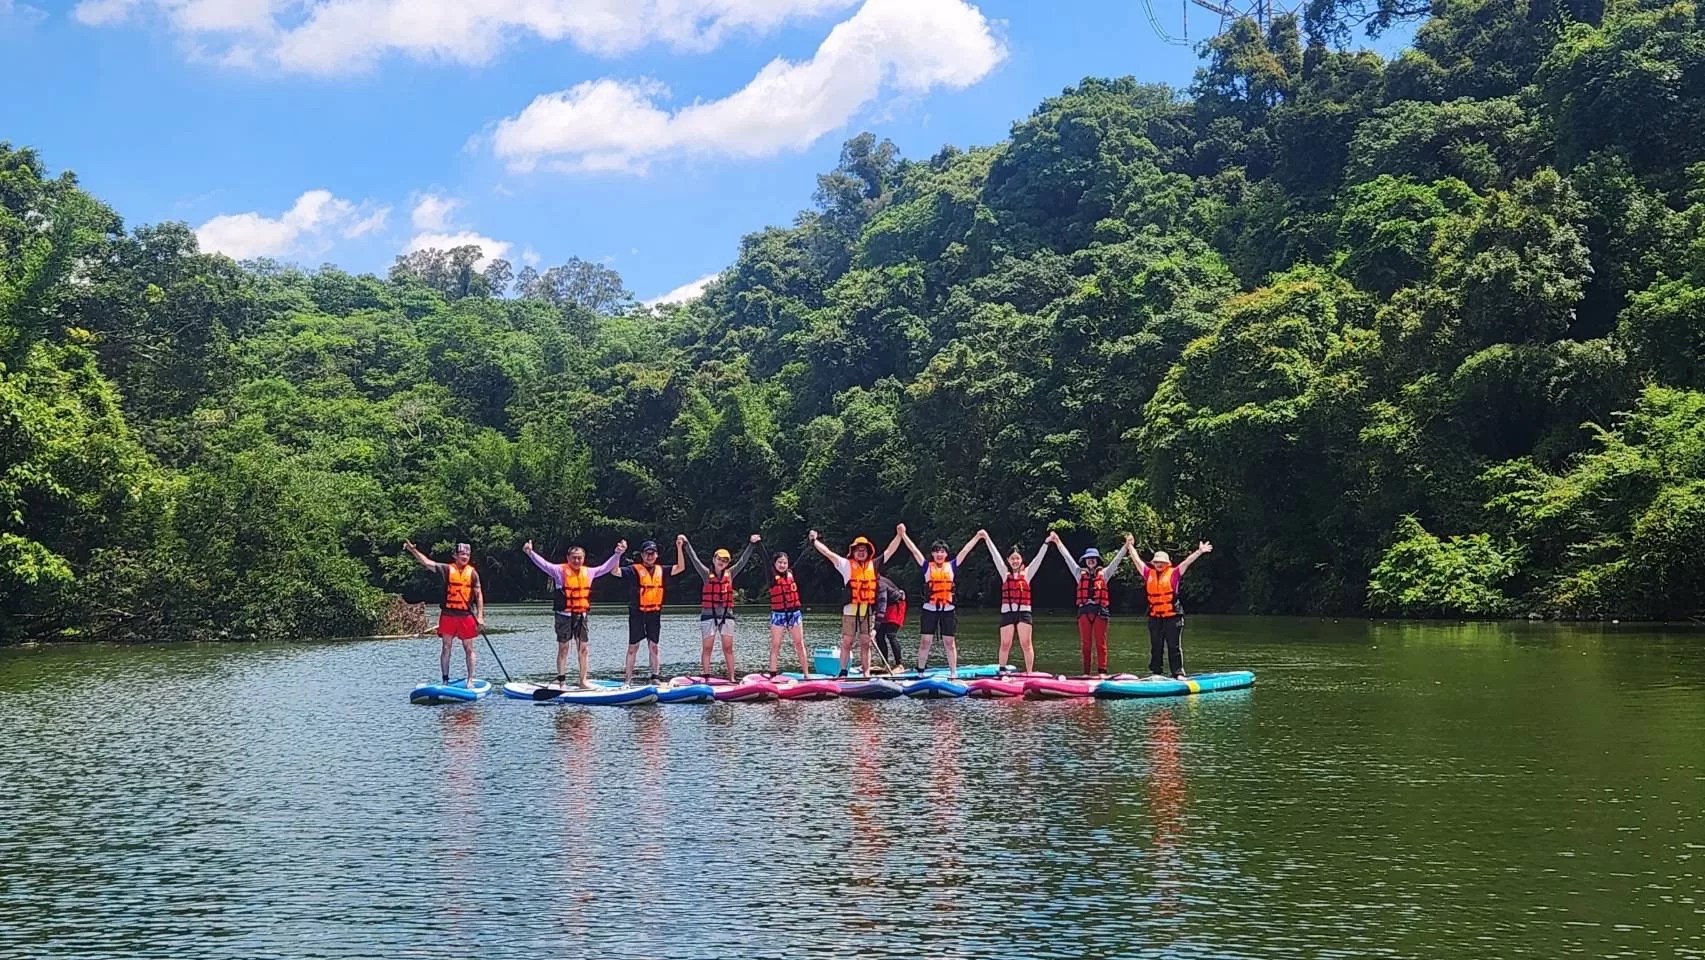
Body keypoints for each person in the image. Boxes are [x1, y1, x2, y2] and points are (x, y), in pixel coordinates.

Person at [522, 539, 625, 688]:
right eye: (574, 557)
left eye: (580, 558)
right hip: (564, 616)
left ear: (583, 559)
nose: (577, 560)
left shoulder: (589, 572)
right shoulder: (559, 571)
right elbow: (543, 564)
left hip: (581, 615)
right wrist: (530, 553)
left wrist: (618, 554)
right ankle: (562, 681)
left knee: (583, 648)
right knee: (563, 648)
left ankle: (583, 681)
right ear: (568, 558)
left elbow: (606, 567)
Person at [894, 523, 983, 680]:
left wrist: (977, 537)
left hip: (948, 610)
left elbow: (966, 550)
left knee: (949, 643)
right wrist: (903, 535)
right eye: (936, 552)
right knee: (925, 642)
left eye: (942, 551)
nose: (939, 554)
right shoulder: (927, 567)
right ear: (932, 555)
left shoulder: (952, 566)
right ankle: (920, 671)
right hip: (930, 609)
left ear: (946, 554)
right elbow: (914, 551)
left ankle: (953, 673)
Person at [1048, 530, 1130, 676]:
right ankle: (1086, 673)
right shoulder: (1079, 574)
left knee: (1101, 644)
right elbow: (1067, 558)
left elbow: (1116, 561)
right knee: (1086, 645)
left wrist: (1126, 546)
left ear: (1097, 560)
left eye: (1093, 558)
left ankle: (1102, 672)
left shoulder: (1104, 574)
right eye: (1088, 559)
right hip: (1084, 612)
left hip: (1100, 612)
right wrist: (1058, 542)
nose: (1091, 561)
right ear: (1085, 561)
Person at [403, 540, 485, 686]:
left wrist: (479, 617)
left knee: (469, 648)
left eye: (467, 554)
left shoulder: (473, 574)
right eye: (462, 554)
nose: (465, 557)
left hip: (466, 615)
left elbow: (478, 595)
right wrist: (413, 551)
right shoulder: (447, 569)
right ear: (455, 555)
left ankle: (470, 679)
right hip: (448, 614)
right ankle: (445, 679)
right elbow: (427, 563)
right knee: (446, 646)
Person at [682, 533, 759, 682]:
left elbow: (743, 561)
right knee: (707, 648)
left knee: (728, 649)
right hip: (708, 615)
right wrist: (686, 544)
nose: (721, 562)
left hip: (726, 616)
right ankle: (706, 677)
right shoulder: (706, 574)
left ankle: (732, 678)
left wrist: (752, 544)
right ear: (714, 559)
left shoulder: (730, 574)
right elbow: (695, 560)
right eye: (719, 559)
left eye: (725, 560)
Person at [1133, 540, 1214, 679]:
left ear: (1167, 563)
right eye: (1157, 562)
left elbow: (1187, 562)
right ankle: (1156, 672)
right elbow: (1136, 560)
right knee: (1156, 647)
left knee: (1173, 646)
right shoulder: (1148, 573)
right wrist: (1129, 546)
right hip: (1155, 618)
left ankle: (1177, 673)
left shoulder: (1174, 573)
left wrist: (1199, 551)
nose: (1159, 564)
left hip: (1173, 617)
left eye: (1161, 562)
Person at [611, 538, 687, 685]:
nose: (650, 556)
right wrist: (618, 554)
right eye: (647, 553)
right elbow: (615, 571)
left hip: (654, 613)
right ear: (642, 555)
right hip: (637, 613)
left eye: (652, 553)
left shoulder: (662, 570)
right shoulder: (633, 570)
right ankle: (627, 680)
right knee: (633, 646)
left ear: (656, 555)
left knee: (654, 646)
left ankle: (655, 677)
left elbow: (681, 567)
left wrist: (679, 547)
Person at [808, 530, 881, 677]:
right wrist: (814, 541)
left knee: (866, 643)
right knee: (847, 642)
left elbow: (890, 551)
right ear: (853, 552)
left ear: (868, 552)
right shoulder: (845, 564)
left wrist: (900, 535)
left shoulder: (873, 565)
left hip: (867, 611)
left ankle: (866, 673)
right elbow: (828, 553)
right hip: (850, 610)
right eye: (858, 550)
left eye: (864, 550)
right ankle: (843, 672)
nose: (861, 553)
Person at [986, 535, 1051, 674]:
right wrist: (986, 538)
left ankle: (1029, 672)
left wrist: (1046, 542)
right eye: (1012, 558)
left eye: (1017, 558)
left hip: (1024, 613)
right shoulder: (1005, 573)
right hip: (1007, 613)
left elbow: (1039, 559)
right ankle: (1002, 670)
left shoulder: (1027, 573)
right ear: (1008, 560)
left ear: (1021, 560)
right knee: (1005, 644)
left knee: (1026, 644)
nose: (1015, 561)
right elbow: (995, 555)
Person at [764, 545, 812, 677]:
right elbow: (765, 558)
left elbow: (802, 558)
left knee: (799, 643)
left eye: (785, 562)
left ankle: (806, 674)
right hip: (778, 615)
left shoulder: (791, 573)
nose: (782, 565)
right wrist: (758, 544)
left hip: (794, 614)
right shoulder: (771, 577)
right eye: (779, 562)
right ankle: (773, 674)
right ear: (774, 564)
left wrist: (811, 542)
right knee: (776, 645)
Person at [874, 573, 907, 672]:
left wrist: (877, 622)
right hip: (886, 606)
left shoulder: (880, 584)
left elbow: (882, 602)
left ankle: (899, 665)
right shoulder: (868, 583)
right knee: (879, 636)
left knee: (891, 634)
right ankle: (885, 664)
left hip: (896, 605)